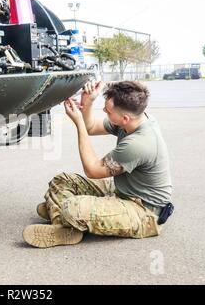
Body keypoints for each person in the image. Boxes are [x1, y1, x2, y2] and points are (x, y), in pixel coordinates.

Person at [23, 80, 173, 248]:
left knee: (72, 207)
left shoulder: (139, 144)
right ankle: (65, 226)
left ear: (125, 118)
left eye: (107, 111)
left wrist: (78, 122)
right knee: (62, 180)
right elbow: (92, 127)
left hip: (144, 213)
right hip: (123, 191)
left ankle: (63, 215)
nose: (104, 111)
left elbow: (92, 170)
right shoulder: (135, 120)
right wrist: (88, 102)